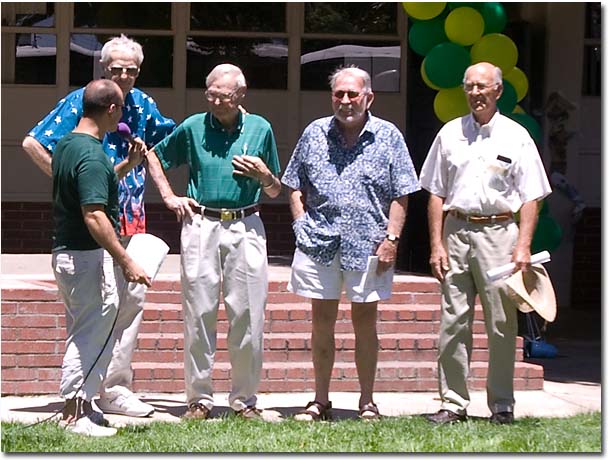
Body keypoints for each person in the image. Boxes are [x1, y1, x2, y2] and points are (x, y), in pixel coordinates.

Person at [22, 34, 175, 418]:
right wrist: (68, 186)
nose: (124, 76)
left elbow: (157, 148)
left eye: (131, 70)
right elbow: (32, 143)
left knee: (128, 303)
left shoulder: (143, 105)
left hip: (131, 216)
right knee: (96, 310)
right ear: (104, 69)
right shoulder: (85, 102)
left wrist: (168, 194)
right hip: (94, 223)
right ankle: (83, 398)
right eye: (116, 69)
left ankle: (113, 388)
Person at [281, 66, 420, 421]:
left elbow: (402, 192)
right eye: (338, 94)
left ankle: (368, 401)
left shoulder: (388, 136)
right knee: (321, 324)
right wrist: (300, 223)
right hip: (319, 244)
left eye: (352, 94)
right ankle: (320, 400)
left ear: (368, 97)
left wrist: (392, 239)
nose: (345, 101)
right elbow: (294, 182)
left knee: (365, 325)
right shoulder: (314, 133)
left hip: (369, 246)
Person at [145, 63, 281, 420]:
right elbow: (154, 156)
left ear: (241, 94)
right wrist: (170, 196)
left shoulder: (260, 128)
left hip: (246, 224)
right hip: (201, 224)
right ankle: (199, 400)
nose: (217, 101)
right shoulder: (193, 126)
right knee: (198, 312)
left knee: (249, 316)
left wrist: (265, 175)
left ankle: (244, 401)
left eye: (225, 95)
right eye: (212, 95)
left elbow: (275, 188)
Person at [419, 62, 552, 425]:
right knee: (453, 322)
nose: (475, 93)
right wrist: (436, 244)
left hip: (500, 235)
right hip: (456, 231)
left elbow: (530, 197)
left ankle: (502, 406)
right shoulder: (449, 134)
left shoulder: (516, 136)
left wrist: (523, 246)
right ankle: (453, 403)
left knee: (500, 323)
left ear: (498, 91)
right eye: (470, 87)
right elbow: (434, 193)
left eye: (483, 87)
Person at [52, 79, 151, 436]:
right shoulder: (92, 154)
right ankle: (74, 413)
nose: (122, 115)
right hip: (83, 257)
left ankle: (84, 408)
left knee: (87, 330)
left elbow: (96, 181)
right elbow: (94, 214)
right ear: (111, 109)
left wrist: (128, 164)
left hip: (69, 255)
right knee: (87, 334)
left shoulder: (69, 144)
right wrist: (126, 260)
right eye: (121, 109)